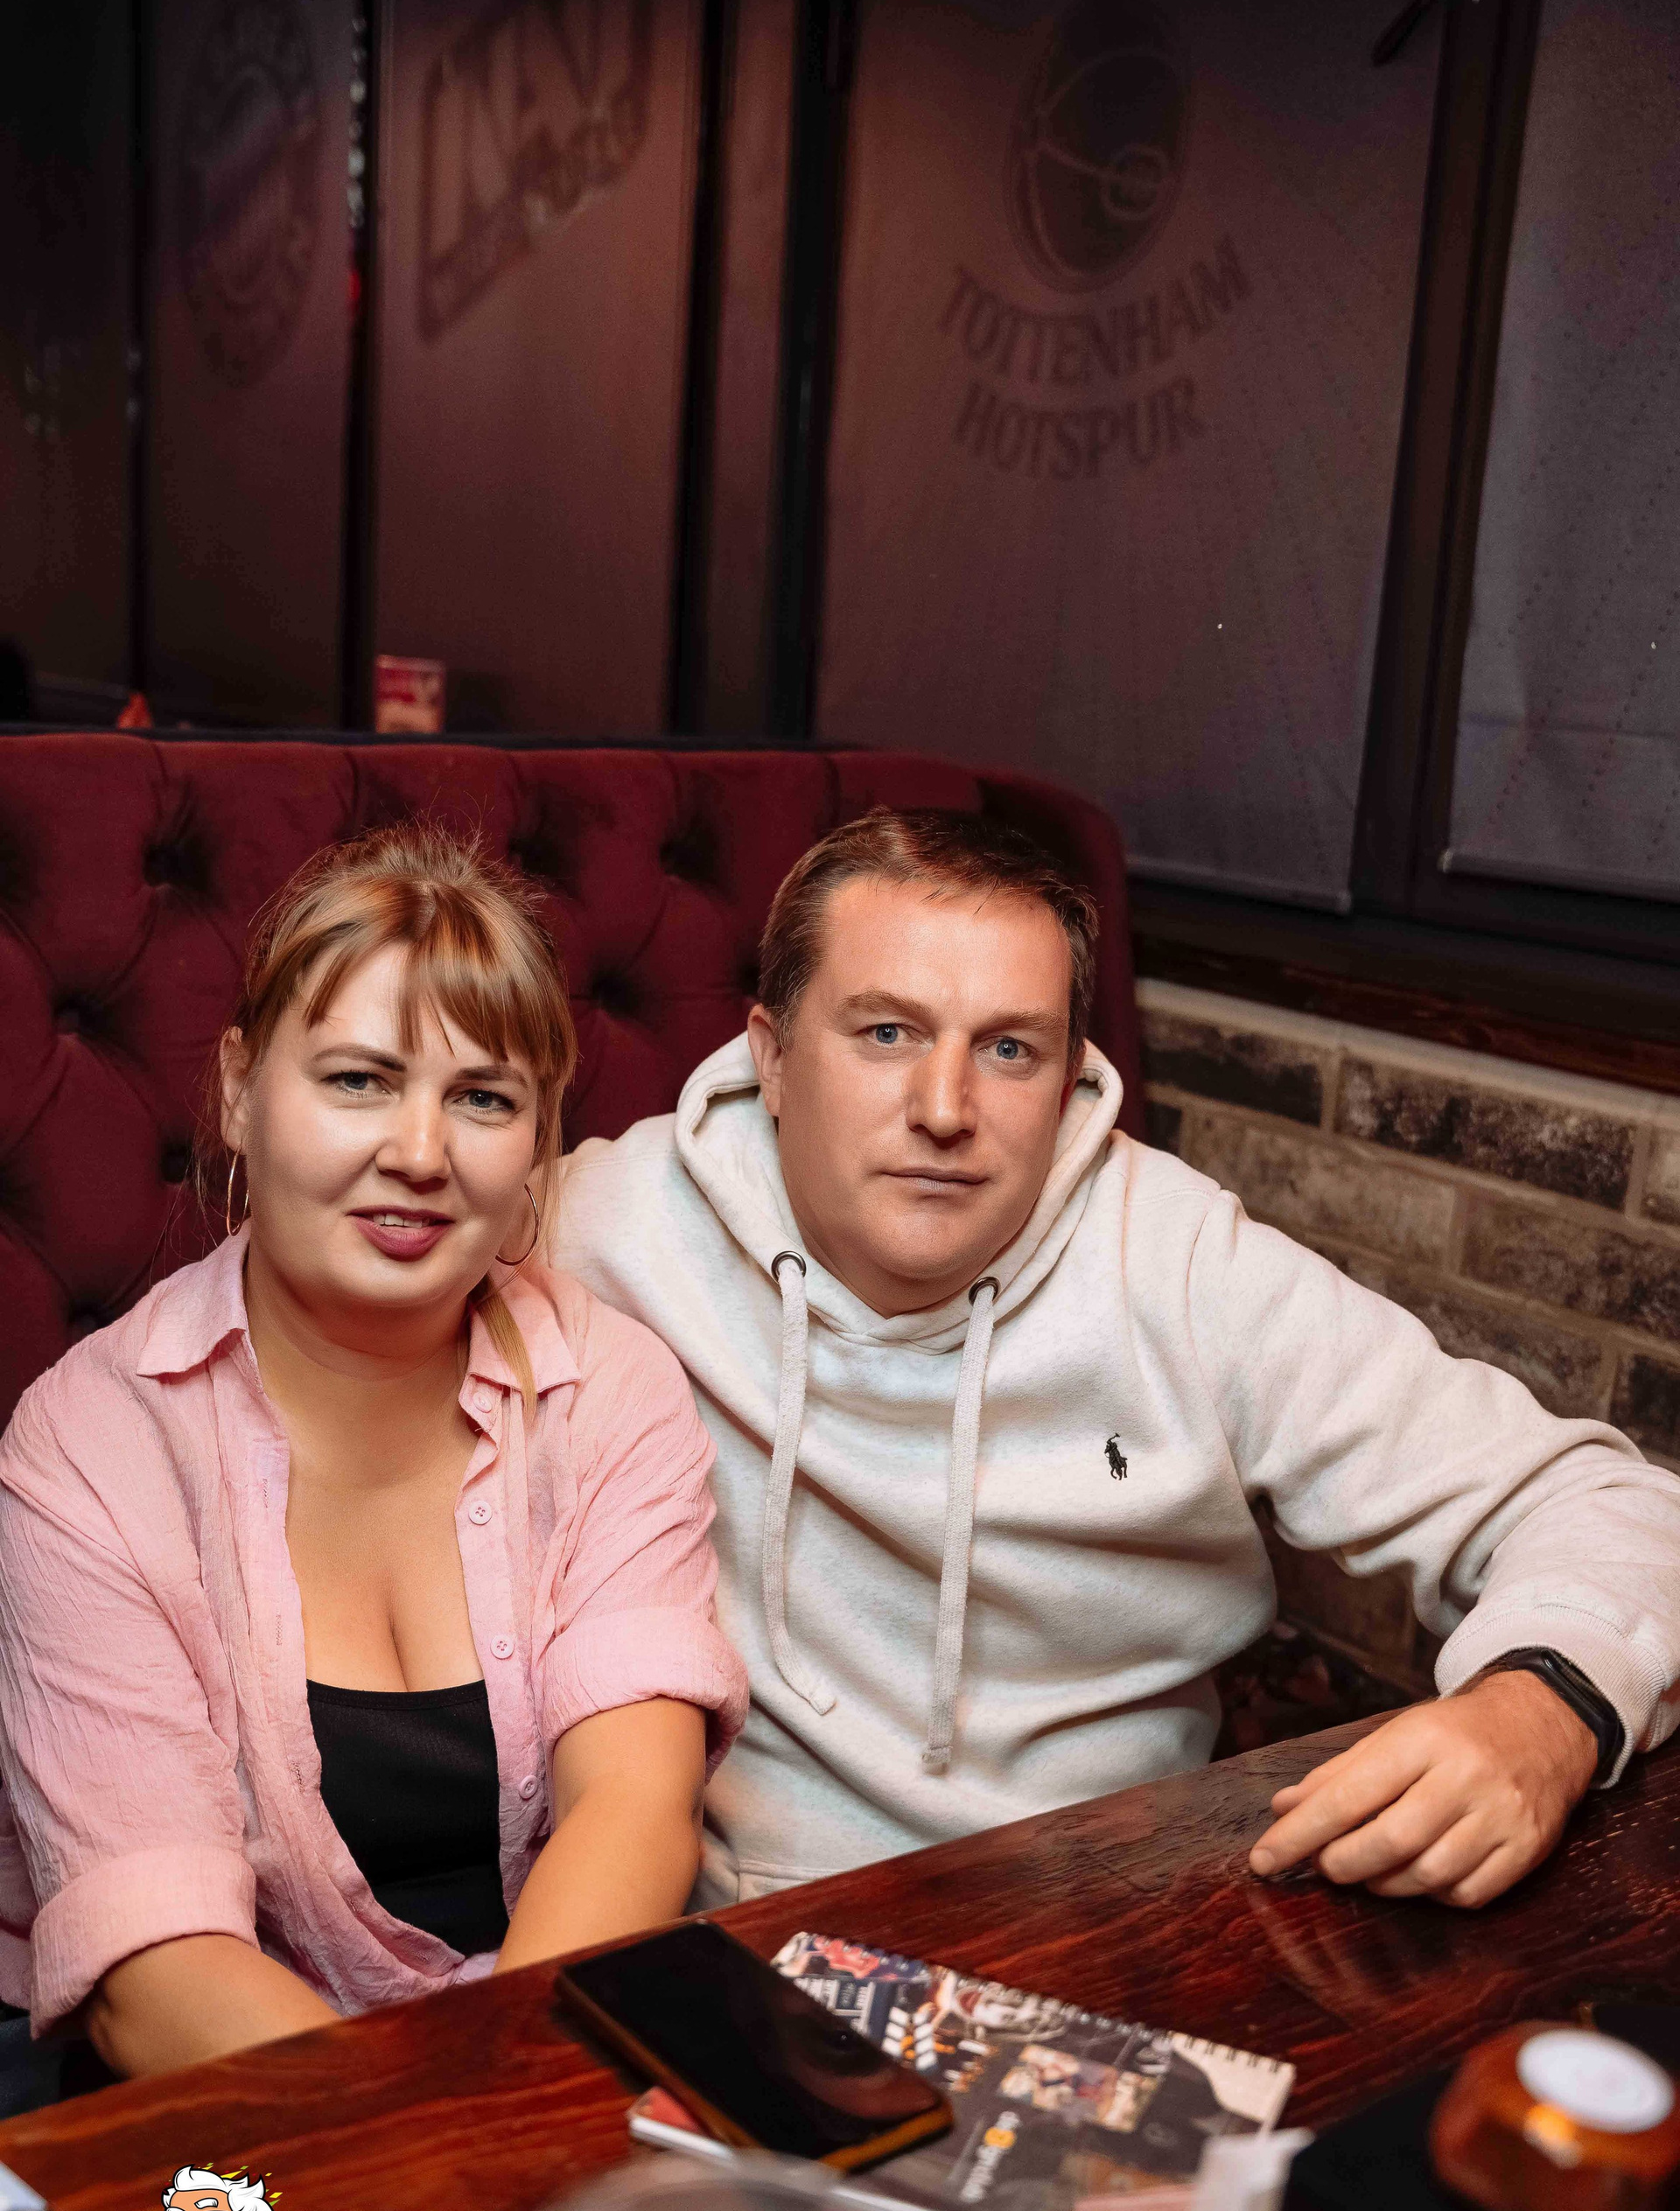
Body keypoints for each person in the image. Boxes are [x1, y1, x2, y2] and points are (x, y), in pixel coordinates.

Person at [550, 807, 1680, 1914]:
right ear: (773, 1056)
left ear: (1067, 1077)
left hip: (1108, 1908)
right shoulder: (604, 1223)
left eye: (1008, 1049)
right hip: (726, 1921)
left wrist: (1542, 1713)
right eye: (887, 1033)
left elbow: (1611, 1505)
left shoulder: (1183, 1264)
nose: (944, 1109)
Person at [0, 827, 746, 2081]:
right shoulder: (88, 1449)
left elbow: (634, 1807)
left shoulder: (610, 1385)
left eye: (484, 1099)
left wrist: (499, 2108)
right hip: (226, 2098)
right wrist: (431, 2139)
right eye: (358, 1080)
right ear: (240, 1091)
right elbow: (153, 1970)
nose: (419, 1153)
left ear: (538, 1143)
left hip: (555, 2047)